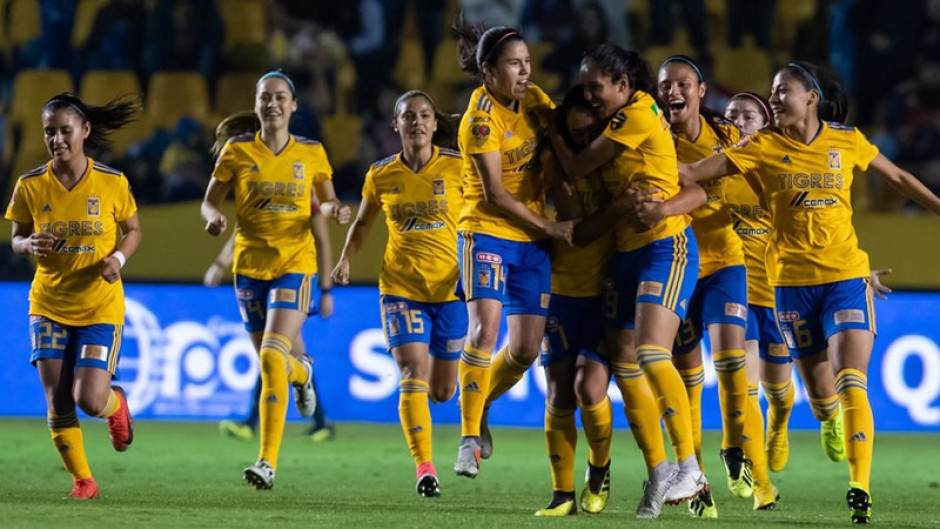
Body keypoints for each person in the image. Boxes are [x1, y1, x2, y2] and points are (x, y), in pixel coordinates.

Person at [680, 61, 940, 524]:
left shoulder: (846, 140)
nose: (775, 98)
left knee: (850, 382)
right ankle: (820, 418)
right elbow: (698, 171)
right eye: (773, 91)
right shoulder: (761, 147)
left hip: (845, 279)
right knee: (820, 396)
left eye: (783, 90)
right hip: (790, 287)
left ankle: (860, 488)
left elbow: (897, 178)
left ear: (811, 97)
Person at [546, 43, 707, 518]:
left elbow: (577, 165)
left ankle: (690, 466)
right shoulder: (623, 129)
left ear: (622, 85)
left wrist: (548, 130)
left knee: (653, 352)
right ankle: (659, 472)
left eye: (597, 86)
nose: (592, 97)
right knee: (622, 358)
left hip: (665, 246)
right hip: (623, 256)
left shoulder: (636, 114)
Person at [200, 71, 351, 490]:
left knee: (269, 358)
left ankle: (266, 462)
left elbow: (329, 199)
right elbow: (210, 201)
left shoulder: (312, 153)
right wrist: (213, 217)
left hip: (294, 265)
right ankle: (302, 375)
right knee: (277, 366)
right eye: (266, 97)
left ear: (294, 105)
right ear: (256, 103)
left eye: (281, 97)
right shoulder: (236, 151)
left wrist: (335, 209)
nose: (273, 104)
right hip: (248, 270)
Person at [450, 22, 573, 479]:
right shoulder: (480, 122)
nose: (524, 72)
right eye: (514, 64)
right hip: (487, 231)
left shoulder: (535, 99)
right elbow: (496, 195)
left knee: (523, 352)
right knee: (484, 331)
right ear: (488, 70)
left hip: (532, 242)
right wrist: (551, 226)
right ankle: (466, 441)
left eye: (527, 62)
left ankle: (479, 402)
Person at [5, 93, 140, 499]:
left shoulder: (112, 182)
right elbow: (15, 238)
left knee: (88, 397)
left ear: (85, 131)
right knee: (57, 397)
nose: (58, 139)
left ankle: (115, 406)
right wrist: (27, 245)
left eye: (66, 130)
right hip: (48, 304)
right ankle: (83, 480)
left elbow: (133, 230)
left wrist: (117, 257)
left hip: (100, 304)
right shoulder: (29, 184)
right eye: (50, 132)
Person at [331, 90, 465, 498]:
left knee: (442, 391)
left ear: (435, 123)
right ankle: (425, 467)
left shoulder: (460, 168)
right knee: (411, 374)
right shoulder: (381, 174)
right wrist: (346, 259)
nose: (418, 122)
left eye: (425, 115)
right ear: (397, 125)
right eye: (409, 116)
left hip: (452, 290)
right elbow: (364, 223)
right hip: (400, 288)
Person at [657, 55, 767, 516]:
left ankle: (734, 450)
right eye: (665, 85)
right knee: (685, 383)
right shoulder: (649, 139)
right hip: (675, 268)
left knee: (731, 366)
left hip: (724, 262)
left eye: (683, 83)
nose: (673, 91)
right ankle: (697, 483)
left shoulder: (727, 138)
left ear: (701, 92)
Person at [202, 112, 336, 443]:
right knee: (283, 354)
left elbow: (322, 238)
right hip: (257, 273)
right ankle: (320, 421)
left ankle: (253, 423)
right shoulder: (254, 180)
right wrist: (220, 264)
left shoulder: (299, 182)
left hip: (291, 274)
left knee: (273, 353)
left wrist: (327, 289)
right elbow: (242, 232)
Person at [534, 86, 615, 516]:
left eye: (589, 135)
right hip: (562, 292)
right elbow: (576, 223)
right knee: (558, 395)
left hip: (605, 295)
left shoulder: (616, 164)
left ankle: (599, 467)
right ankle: (562, 495)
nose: (584, 145)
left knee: (589, 388)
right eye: (574, 136)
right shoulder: (554, 167)